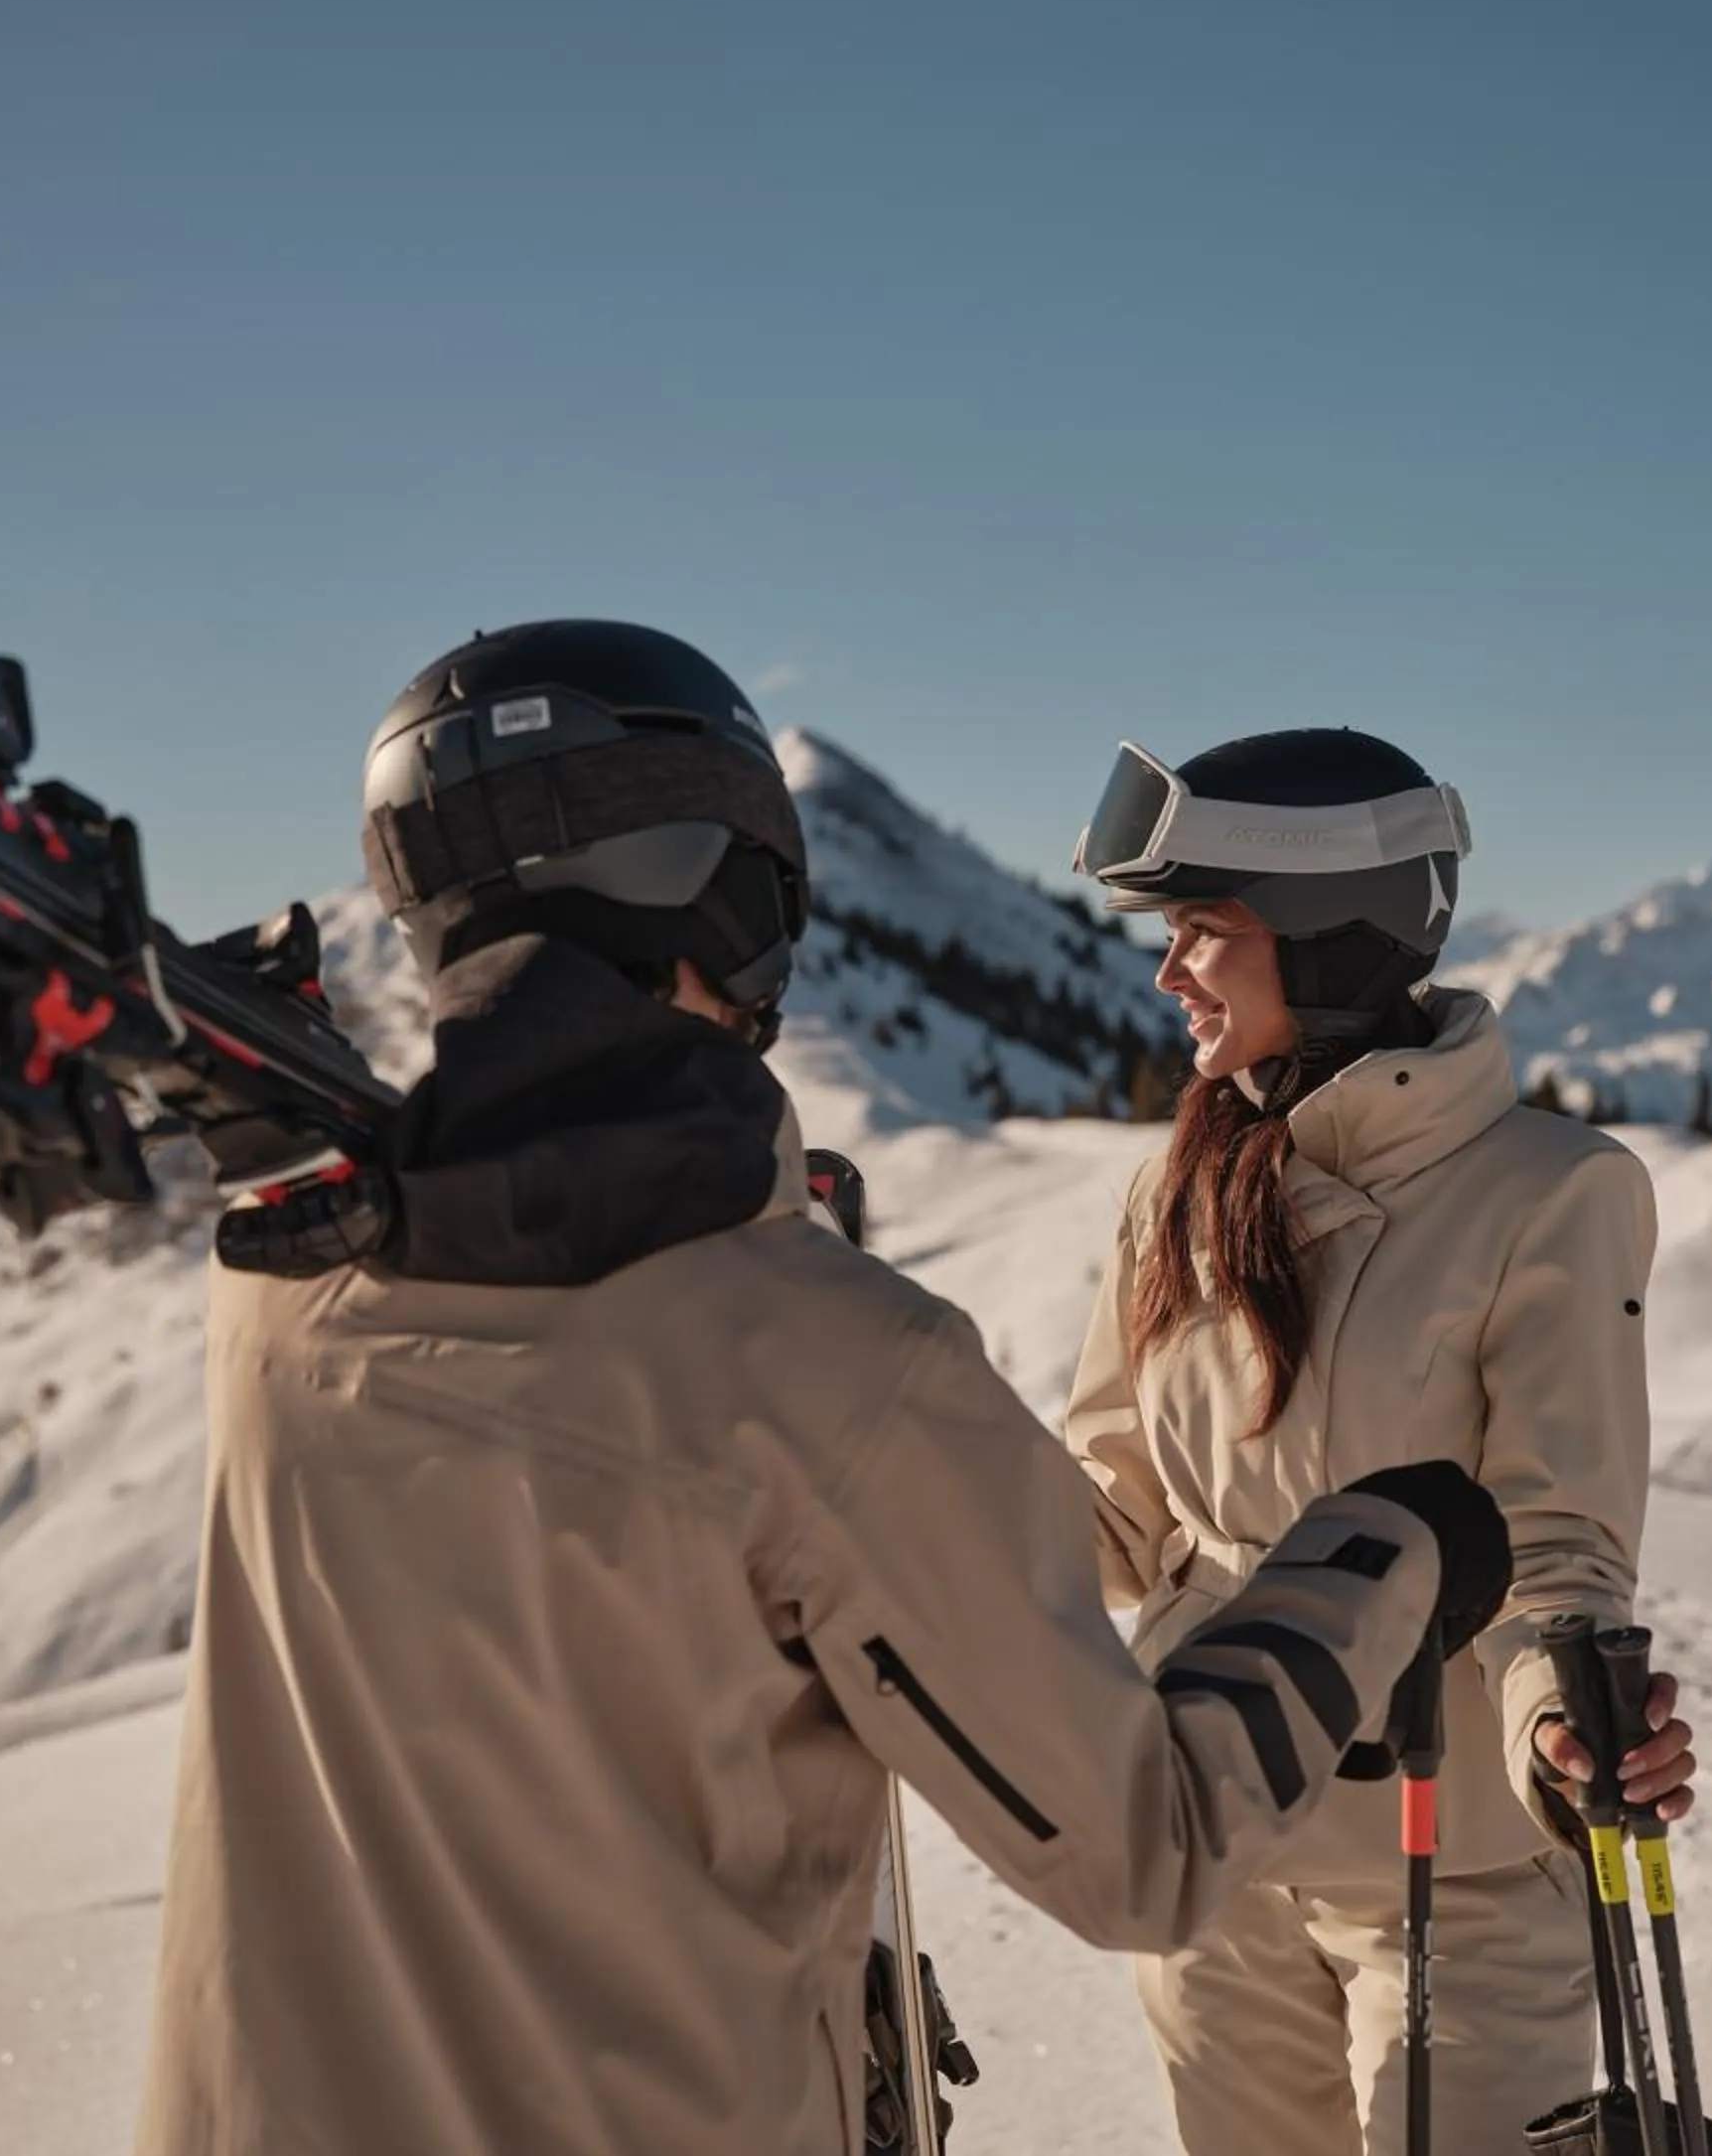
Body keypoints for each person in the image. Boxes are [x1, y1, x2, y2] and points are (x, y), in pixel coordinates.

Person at [131, 622, 1520, 2156]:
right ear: (728, 898)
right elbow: (1150, 1845)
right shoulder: (827, 1359)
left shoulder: (284, 1288)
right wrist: (1384, 1555)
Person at [1062, 729, 1700, 2156]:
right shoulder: (1176, 1189)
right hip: (1214, 1822)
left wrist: (1555, 1719)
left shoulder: (1553, 1191)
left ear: (1328, 936)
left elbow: (1554, 1536)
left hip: (1451, 1854)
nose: (1169, 974)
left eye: (1204, 930)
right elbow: (1112, 1501)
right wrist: (897, 1518)